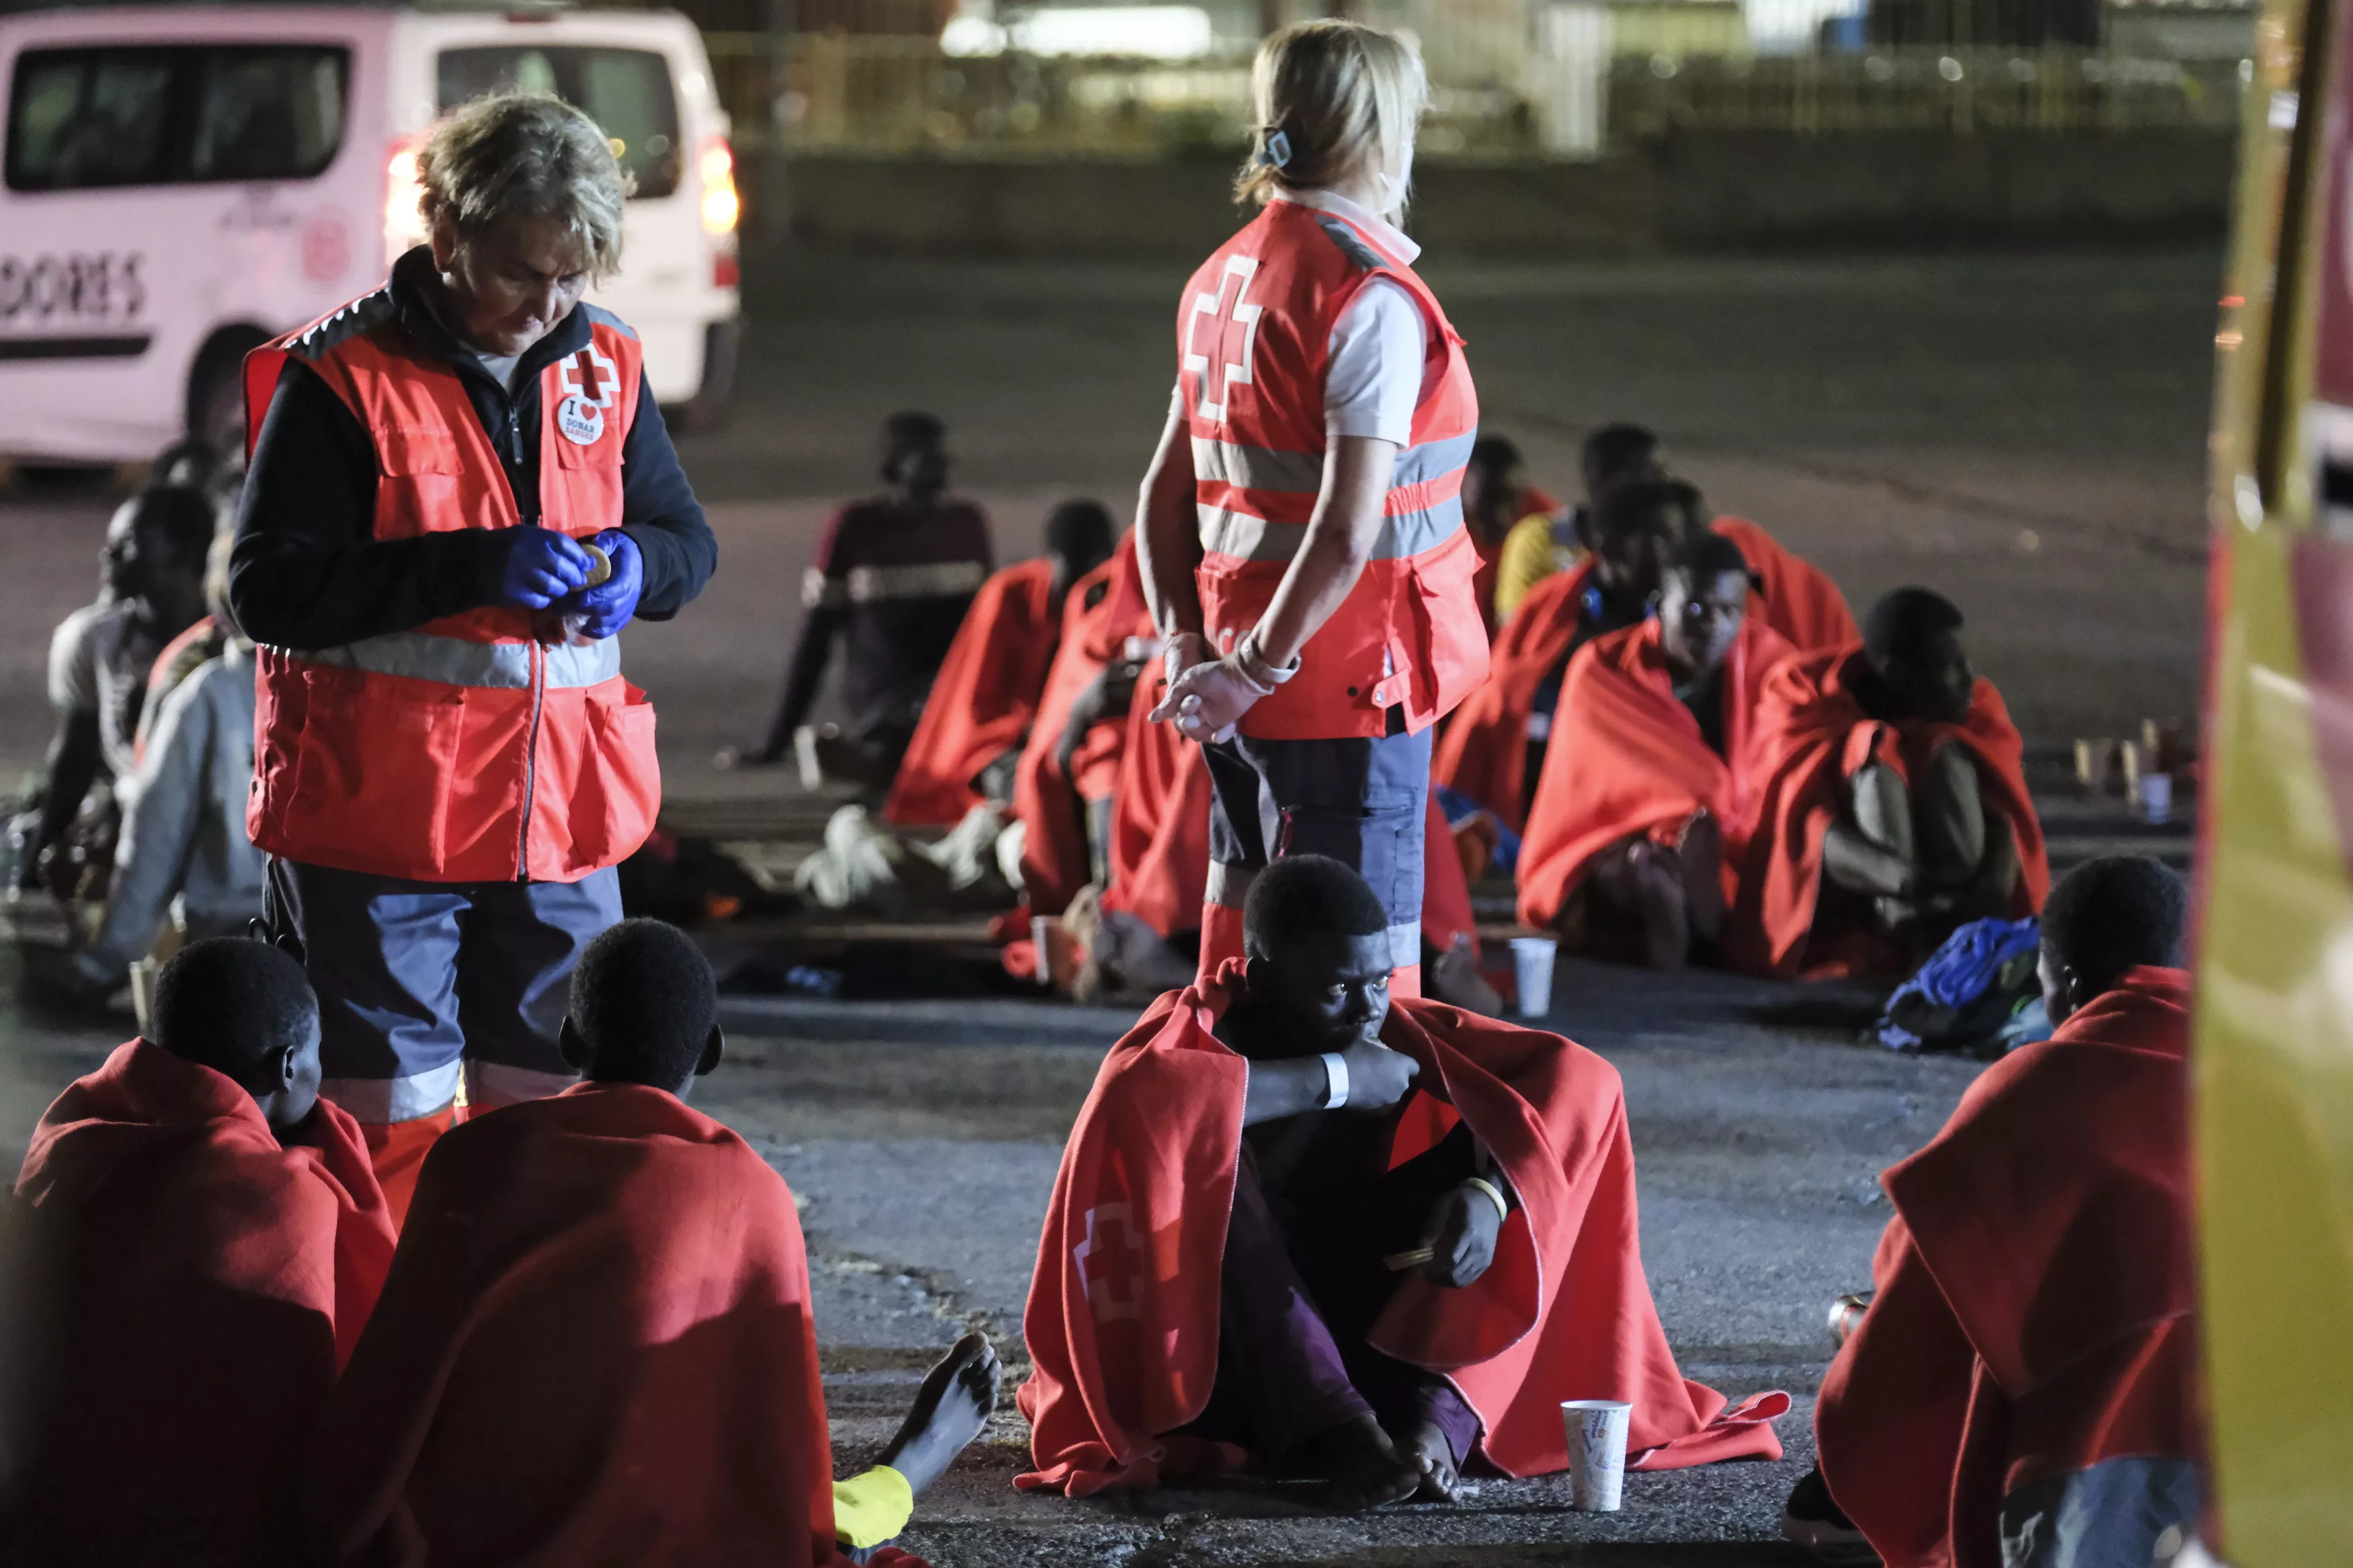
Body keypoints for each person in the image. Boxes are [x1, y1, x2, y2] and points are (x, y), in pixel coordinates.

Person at [230, 93, 717, 1214]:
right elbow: (269, 591)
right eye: (518, 272)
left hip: (563, 822)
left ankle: (522, 1338)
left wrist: (641, 570)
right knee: (387, 1111)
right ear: (445, 229)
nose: (546, 307)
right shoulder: (339, 376)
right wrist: (472, 567)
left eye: (573, 279)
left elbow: (688, 541)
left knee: (559, 1109)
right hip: (382, 824)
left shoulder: (609, 366)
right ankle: (387, 1347)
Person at [1019, 856, 1784, 1504]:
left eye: (1378, 981)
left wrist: (1489, 1195)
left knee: (1510, 1152)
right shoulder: (1192, 1031)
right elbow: (1147, 1100)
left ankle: (1433, 1425)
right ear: (1259, 974)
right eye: (1336, 990)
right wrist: (1336, 1078)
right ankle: (1339, 1435)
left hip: (1364, 1323)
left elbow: (1581, 1081)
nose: (1366, 1010)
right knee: (1210, 1162)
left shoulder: (1390, 1021)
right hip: (1237, 1359)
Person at [303, 919, 996, 1567]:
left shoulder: (471, 1158)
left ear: (571, 1039)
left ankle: (889, 1485)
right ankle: (900, 1476)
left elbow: (391, 1397)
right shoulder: (751, 1192)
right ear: (713, 1050)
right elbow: (774, 1462)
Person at [1138, 19, 1492, 996]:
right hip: (1341, 686)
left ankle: (1232, 1147)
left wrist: (1190, 652)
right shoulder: (1364, 296)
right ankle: (1339, 1152)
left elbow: (1164, 495)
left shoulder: (1222, 280)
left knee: (1247, 966)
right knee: (1354, 990)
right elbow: (1346, 533)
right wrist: (1251, 670)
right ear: (1384, 131)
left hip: (1237, 688)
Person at [1789, 857, 2201, 1566]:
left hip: (2089, 1488)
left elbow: (1916, 1310)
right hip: (2285, 1463)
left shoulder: (2030, 1086)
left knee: (1816, 1503)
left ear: (2064, 985)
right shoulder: (2279, 1075)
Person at [1, 939, 394, 1567]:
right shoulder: (284, 1197)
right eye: (319, 1053)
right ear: (288, 1066)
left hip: (41, 1524)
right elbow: (370, 1373)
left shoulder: (70, 1135)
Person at [1732, 587, 2047, 979]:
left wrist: (1988, 896)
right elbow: (1802, 831)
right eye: (1949, 666)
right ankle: (1905, 935)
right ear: (1899, 674)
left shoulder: (1974, 703)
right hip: (1862, 897)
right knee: (1875, 751)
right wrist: (1907, 883)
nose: (1969, 678)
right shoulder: (1802, 697)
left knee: (1948, 753)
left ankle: (1951, 944)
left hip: (1955, 885)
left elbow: (2005, 814)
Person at [1517, 531, 1796, 969]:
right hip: (1630, 836)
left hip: (1729, 837)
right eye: (1695, 610)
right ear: (1659, 603)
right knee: (1632, 863)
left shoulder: (1773, 665)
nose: (1712, 627)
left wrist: (1718, 809)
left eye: (1729, 612)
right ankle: (1670, 896)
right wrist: (1679, 818)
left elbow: (1782, 768)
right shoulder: (1603, 666)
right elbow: (1590, 797)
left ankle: (1700, 902)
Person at [754, 412, 994, 787]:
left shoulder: (968, 525)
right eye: (927, 459)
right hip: (885, 696)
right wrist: (775, 741)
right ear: (896, 465)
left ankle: (873, 766)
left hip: (953, 691)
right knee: (922, 730)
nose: (940, 470)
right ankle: (886, 763)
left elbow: (990, 631)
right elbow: (816, 639)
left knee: (967, 726)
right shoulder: (856, 527)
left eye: (943, 459)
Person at [1433, 473, 1681, 833]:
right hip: (1541, 792)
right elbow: (1502, 692)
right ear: (1610, 547)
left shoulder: (1675, 625)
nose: (1675, 551)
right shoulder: (1550, 606)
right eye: (1660, 539)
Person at [71, 533, 264, 991]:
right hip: (356, 956)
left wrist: (106, 963)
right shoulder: (363, 692)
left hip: (233, 958)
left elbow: (154, 843)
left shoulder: (207, 695)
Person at [23, 482, 214, 896]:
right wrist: (41, 847)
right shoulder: (96, 640)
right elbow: (76, 755)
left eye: (128, 543)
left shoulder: (221, 657)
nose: (109, 555)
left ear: (182, 554)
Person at [882, 500, 1117, 828]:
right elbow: (975, 706)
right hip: (996, 748)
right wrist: (1037, 730)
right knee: (1026, 787)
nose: (1077, 592)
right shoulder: (1008, 595)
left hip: (1064, 739)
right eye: (1071, 576)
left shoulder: (1105, 597)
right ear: (1051, 561)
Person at [1492, 421, 1662, 622]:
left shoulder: (1658, 546)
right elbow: (1515, 632)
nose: (1663, 485)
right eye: (1655, 475)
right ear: (1611, 482)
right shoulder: (1539, 541)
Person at [1458, 434, 1558, 632]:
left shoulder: (1542, 522)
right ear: (1458, 488)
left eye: (1512, 499)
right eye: (1488, 501)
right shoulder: (1432, 531)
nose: (1503, 516)